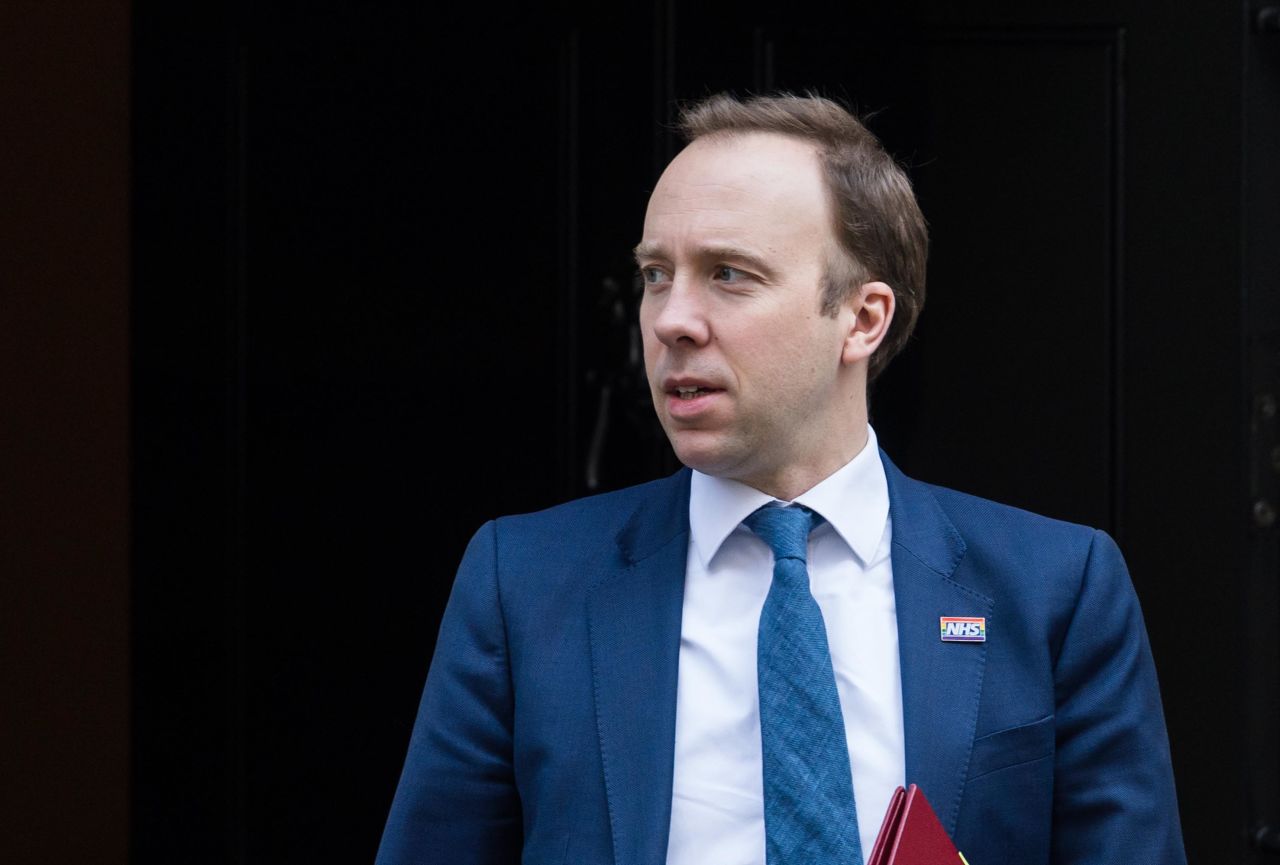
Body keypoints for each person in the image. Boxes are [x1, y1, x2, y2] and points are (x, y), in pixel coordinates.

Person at [375, 93, 1186, 865]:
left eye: (729, 273)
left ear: (863, 319)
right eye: (658, 273)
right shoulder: (524, 581)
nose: (670, 319)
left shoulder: (1054, 589)